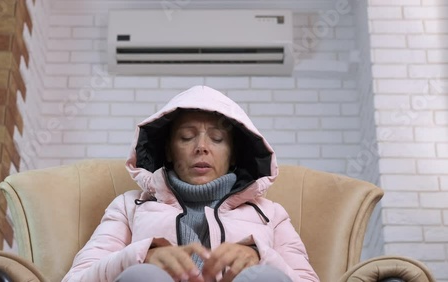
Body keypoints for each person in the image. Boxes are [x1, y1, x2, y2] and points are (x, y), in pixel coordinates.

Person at [62, 86, 320, 282]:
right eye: (187, 137)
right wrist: (143, 256)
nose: (201, 148)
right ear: (169, 150)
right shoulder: (129, 206)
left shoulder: (272, 213)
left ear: (233, 155)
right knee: (142, 276)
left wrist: (260, 257)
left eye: (217, 138)